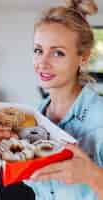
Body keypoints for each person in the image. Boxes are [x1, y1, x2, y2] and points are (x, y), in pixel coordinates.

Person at [23, 0, 103, 200]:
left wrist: (92, 176)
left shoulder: (100, 119)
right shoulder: (33, 118)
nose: (43, 62)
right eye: (38, 50)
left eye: (58, 53)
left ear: (83, 58)